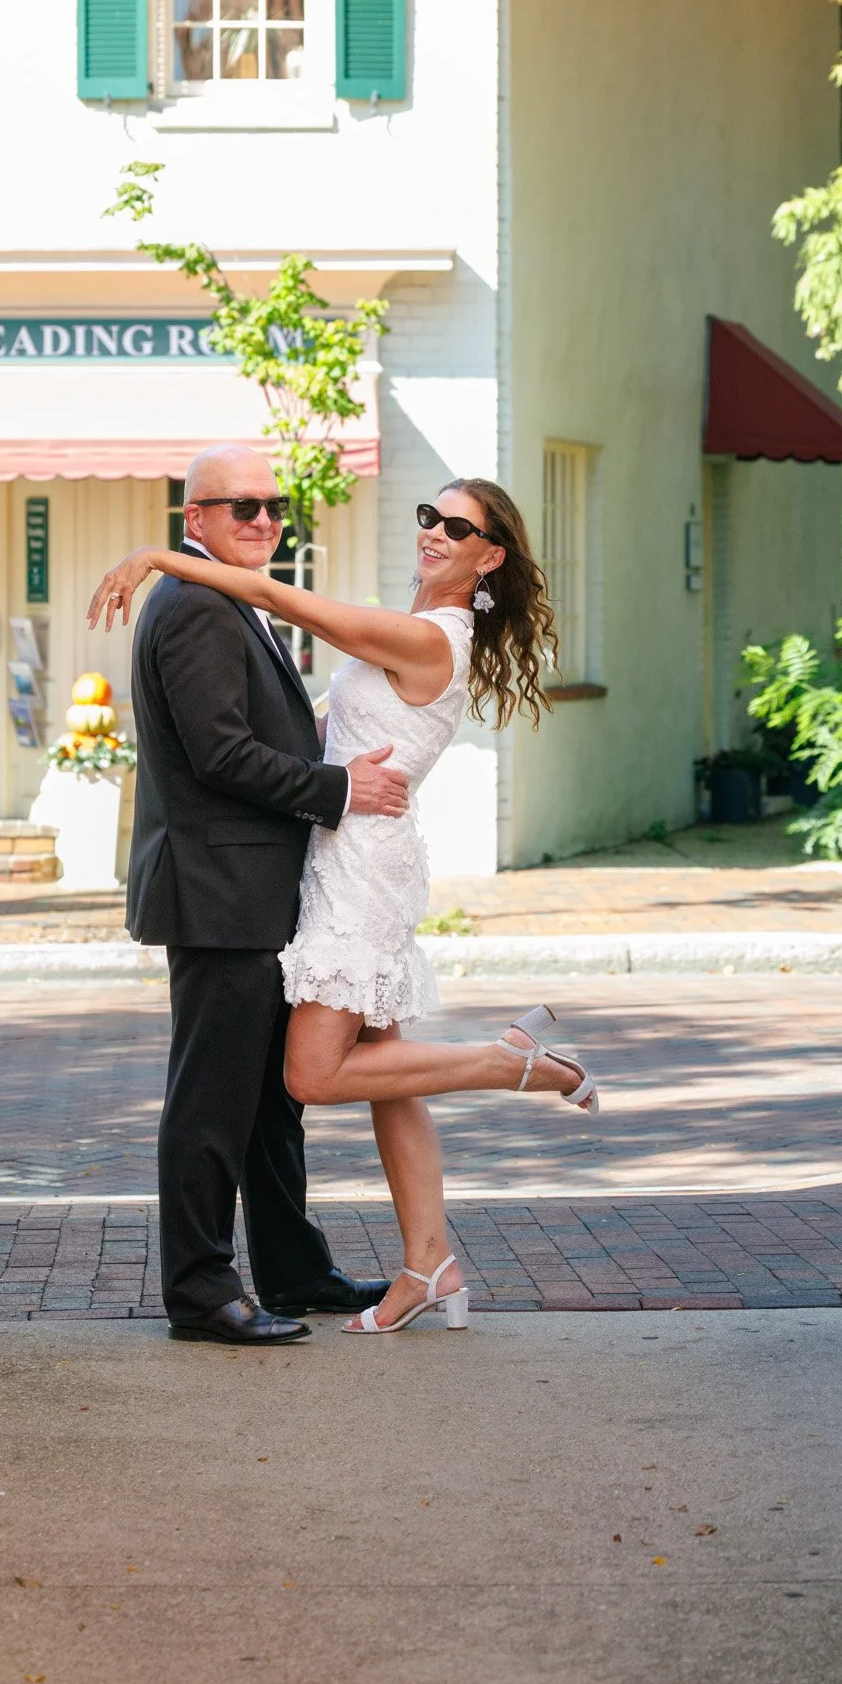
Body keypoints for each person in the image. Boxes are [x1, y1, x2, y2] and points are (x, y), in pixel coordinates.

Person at [90, 469, 599, 1340]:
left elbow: (277, 599)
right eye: (430, 516)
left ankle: (504, 1062)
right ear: (197, 514)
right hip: (294, 868)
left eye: (459, 528)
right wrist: (332, 775)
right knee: (327, 1082)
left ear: (489, 558)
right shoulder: (230, 610)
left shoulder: (424, 635)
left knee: (304, 1080)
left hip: (353, 865)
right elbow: (258, 744)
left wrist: (154, 556)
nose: (434, 531)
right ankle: (410, 1264)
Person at [118, 444, 406, 1346]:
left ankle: (293, 1269)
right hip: (218, 892)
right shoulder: (196, 604)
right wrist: (341, 788)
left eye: (275, 506)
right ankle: (201, 1291)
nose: (265, 520)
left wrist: (325, 736)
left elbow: (250, 730)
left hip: (253, 889)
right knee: (210, 1102)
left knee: (270, 1101)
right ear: (194, 519)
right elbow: (220, 755)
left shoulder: (226, 598)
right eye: (242, 506)